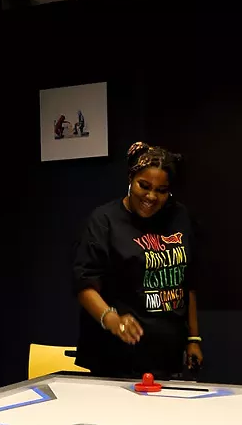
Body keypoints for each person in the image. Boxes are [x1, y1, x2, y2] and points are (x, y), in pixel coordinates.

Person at [73, 141, 203, 380]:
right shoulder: (105, 221)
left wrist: (193, 338)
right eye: (144, 186)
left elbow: (189, 282)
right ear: (131, 180)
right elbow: (84, 284)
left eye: (162, 190)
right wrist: (112, 319)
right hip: (116, 358)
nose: (152, 196)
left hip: (167, 356)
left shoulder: (180, 217)